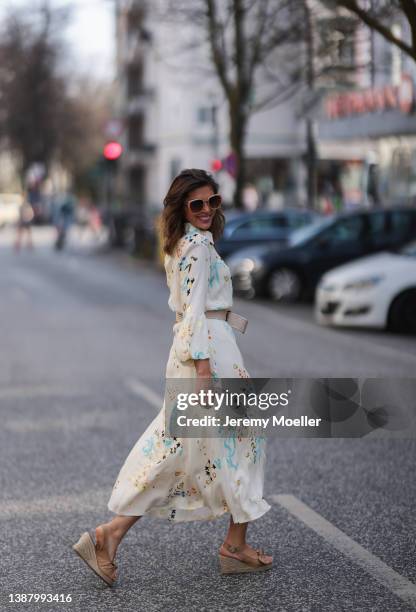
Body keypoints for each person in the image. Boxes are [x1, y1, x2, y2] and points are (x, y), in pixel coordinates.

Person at [72, 168, 272, 586]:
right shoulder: (197, 246)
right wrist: (203, 370)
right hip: (208, 355)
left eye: (212, 201)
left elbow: (191, 310)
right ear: (181, 206)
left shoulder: (184, 242)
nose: (205, 210)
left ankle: (112, 537)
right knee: (237, 442)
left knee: (182, 447)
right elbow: (196, 312)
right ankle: (228, 545)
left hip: (203, 348)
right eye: (195, 203)